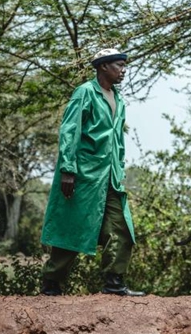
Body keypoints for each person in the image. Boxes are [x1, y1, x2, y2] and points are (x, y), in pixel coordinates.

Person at [39, 48, 144, 296]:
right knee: (73, 227)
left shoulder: (118, 99)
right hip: (83, 175)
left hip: (109, 177)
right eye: (119, 65)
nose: (124, 70)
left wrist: (118, 169)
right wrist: (67, 169)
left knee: (121, 227)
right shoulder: (85, 92)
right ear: (103, 67)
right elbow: (70, 130)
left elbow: (118, 140)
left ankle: (114, 283)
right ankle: (51, 284)